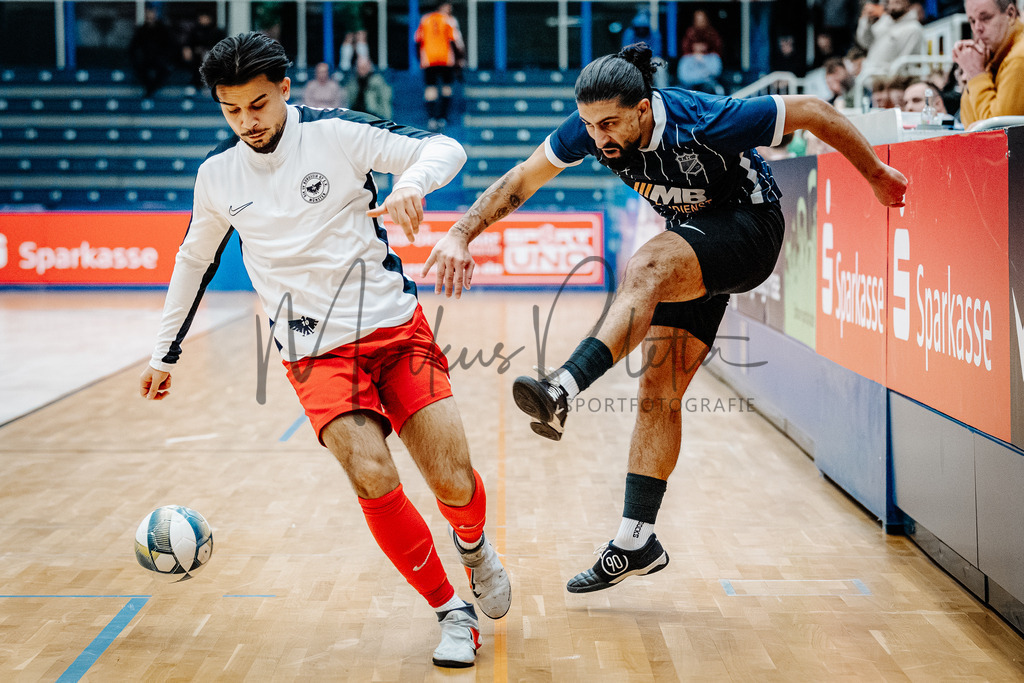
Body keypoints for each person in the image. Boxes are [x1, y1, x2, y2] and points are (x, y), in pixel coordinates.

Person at [423, 44, 906, 594]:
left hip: (750, 229)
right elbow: (523, 179)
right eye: (589, 124)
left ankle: (562, 387)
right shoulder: (591, 128)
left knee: (648, 264)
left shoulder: (705, 118)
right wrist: (461, 232)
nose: (598, 137)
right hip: (695, 243)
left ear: (644, 109)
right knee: (659, 387)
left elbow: (815, 111)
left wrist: (873, 174)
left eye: (609, 123)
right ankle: (636, 541)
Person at [138, 32, 510, 669]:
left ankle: (475, 549)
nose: (247, 122)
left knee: (451, 477)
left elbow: (445, 147)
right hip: (314, 355)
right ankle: (451, 610)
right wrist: (165, 352)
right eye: (232, 111)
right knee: (372, 474)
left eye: (258, 105)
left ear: (285, 89)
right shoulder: (218, 176)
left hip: (395, 329)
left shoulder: (336, 132)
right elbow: (195, 259)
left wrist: (414, 184)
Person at [952, 0, 1024, 127]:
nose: (977, 29)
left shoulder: (1019, 58)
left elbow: (996, 134)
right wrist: (973, 72)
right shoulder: (994, 56)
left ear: (1011, 14)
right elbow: (969, 126)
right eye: (972, 21)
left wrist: (976, 74)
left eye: (986, 18)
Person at [414, 2, 465, 131]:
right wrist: (460, 60)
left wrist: (420, 59)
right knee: (446, 88)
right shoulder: (449, 20)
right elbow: (455, 41)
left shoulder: (425, 19)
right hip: (446, 59)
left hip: (429, 60)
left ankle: (432, 118)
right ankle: (442, 117)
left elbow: (417, 40)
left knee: (431, 89)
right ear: (442, 7)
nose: (450, 10)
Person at [856, 0, 924, 77]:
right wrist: (866, 20)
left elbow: (903, 64)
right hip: (867, 76)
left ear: (907, 2)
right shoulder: (884, 22)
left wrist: (885, 81)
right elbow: (866, 43)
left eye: (897, 2)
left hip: (885, 81)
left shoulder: (913, 28)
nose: (893, 2)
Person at [129, 6, 176, 98]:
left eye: (152, 12)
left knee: (165, 71)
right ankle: (150, 89)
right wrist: (137, 59)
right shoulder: (142, 29)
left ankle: (151, 89)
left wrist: (165, 58)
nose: (150, 15)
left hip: (159, 59)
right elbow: (133, 46)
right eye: (148, 12)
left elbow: (171, 45)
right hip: (146, 58)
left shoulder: (163, 29)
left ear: (156, 13)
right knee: (139, 69)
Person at [182, 12, 226, 91]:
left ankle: (209, 84)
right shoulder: (195, 31)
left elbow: (222, 45)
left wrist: (209, 51)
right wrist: (187, 49)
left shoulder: (216, 31)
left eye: (205, 18)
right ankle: (195, 84)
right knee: (197, 64)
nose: (203, 20)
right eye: (201, 18)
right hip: (197, 56)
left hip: (213, 55)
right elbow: (188, 43)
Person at [346, 55, 393, 120]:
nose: (361, 70)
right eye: (359, 67)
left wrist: (387, 119)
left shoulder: (378, 81)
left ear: (369, 66)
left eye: (364, 67)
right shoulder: (353, 82)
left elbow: (385, 101)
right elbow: (350, 100)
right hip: (356, 115)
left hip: (374, 116)